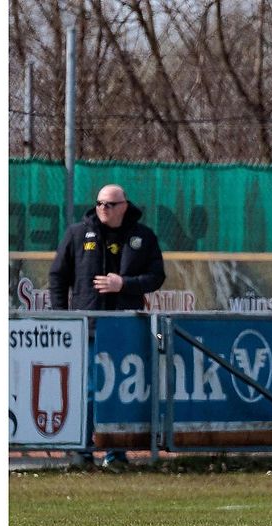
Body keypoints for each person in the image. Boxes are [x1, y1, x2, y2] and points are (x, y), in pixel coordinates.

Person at [49, 184, 166, 469]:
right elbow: (57, 277)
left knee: (118, 389)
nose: (103, 208)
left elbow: (156, 277)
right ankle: (83, 450)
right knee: (88, 388)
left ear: (124, 206)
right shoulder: (77, 234)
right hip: (89, 325)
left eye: (110, 204)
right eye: (100, 203)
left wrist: (123, 284)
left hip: (126, 326)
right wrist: (63, 317)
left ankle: (116, 453)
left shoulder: (143, 236)